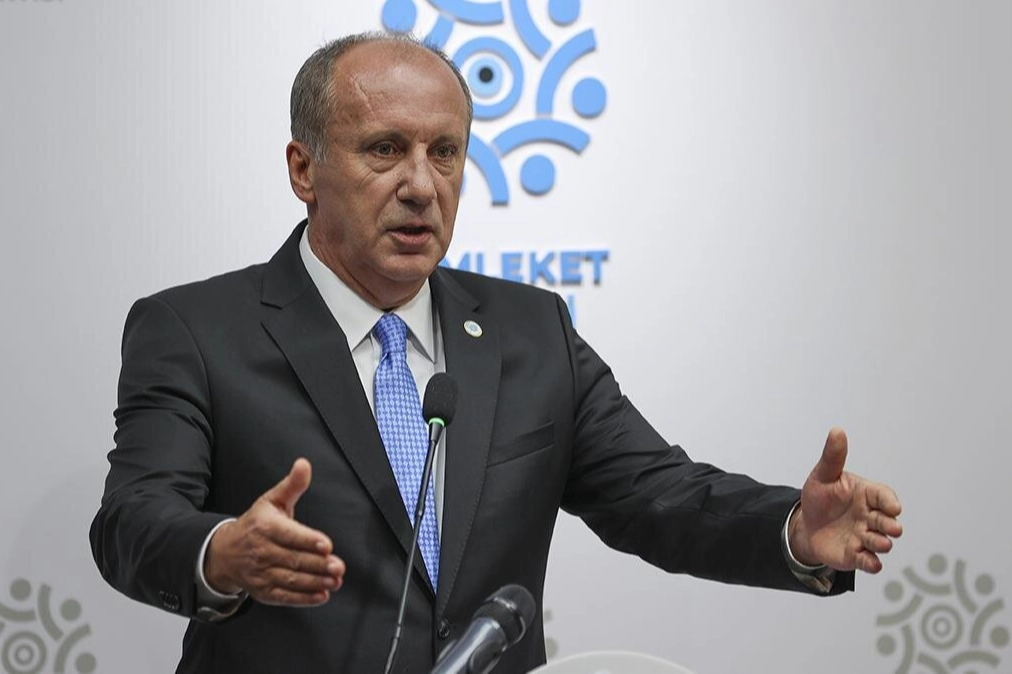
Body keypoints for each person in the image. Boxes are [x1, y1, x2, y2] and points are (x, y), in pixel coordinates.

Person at [90, 32, 903, 674]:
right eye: (385, 149)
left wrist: (790, 530)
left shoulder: (530, 331)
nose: (422, 185)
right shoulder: (197, 331)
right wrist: (221, 554)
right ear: (305, 169)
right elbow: (133, 517)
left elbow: (658, 495)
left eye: (445, 152)